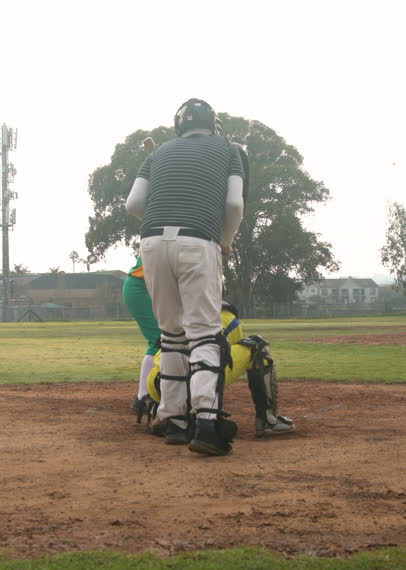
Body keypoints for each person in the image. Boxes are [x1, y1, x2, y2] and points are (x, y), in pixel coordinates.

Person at [125, 98, 245, 456]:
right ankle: (206, 422)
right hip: (198, 240)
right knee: (204, 333)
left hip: (150, 242)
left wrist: (163, 222)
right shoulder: (229, 149)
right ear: (214, 124)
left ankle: (172, 419)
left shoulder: (158, 152)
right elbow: (234, 204)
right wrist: (225, 240)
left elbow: (133, 204)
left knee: (171, 334)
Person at [143, 302, 295, 437]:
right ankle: (268, 420)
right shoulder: (227, 315)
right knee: (257, 347)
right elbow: (226, 357)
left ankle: (163, 412)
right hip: (192, 385)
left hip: (159, 385)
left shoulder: (181, 311)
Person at [122, 255, 161, 422]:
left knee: (168, 338)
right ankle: (142, 398)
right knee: (160, 339)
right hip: (140, 287)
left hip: (149, 288)